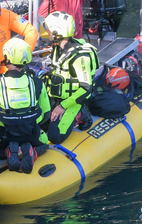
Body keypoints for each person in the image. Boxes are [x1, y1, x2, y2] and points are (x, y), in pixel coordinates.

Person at [0, 37, 50, 174]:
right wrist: (31, 124)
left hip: (6, 136)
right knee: (45, 143)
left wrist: (4, 125)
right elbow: (46, 114)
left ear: (7, 59)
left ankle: (8, 150)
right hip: (32, 134)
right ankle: (32, 151)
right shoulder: (37, 83)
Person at [42, 11, 99, 144]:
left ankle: (81, 115)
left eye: (49, 29)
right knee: (36, 125)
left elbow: (86, 88)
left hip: (71, 102)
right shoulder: (58, 48)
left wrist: (62, 106)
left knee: (55, 136)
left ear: (58, 32)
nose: (47, 32)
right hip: (54, 98)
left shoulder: (79, 57)